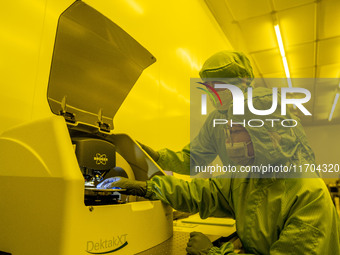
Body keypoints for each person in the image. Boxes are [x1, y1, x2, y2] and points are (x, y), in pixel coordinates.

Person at [98, 51, 340, 254]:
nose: (227, 139)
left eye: (235, 131)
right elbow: (205, 192)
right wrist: (150, 185)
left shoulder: (309, 197)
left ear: (266, 135)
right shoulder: (248, 177)